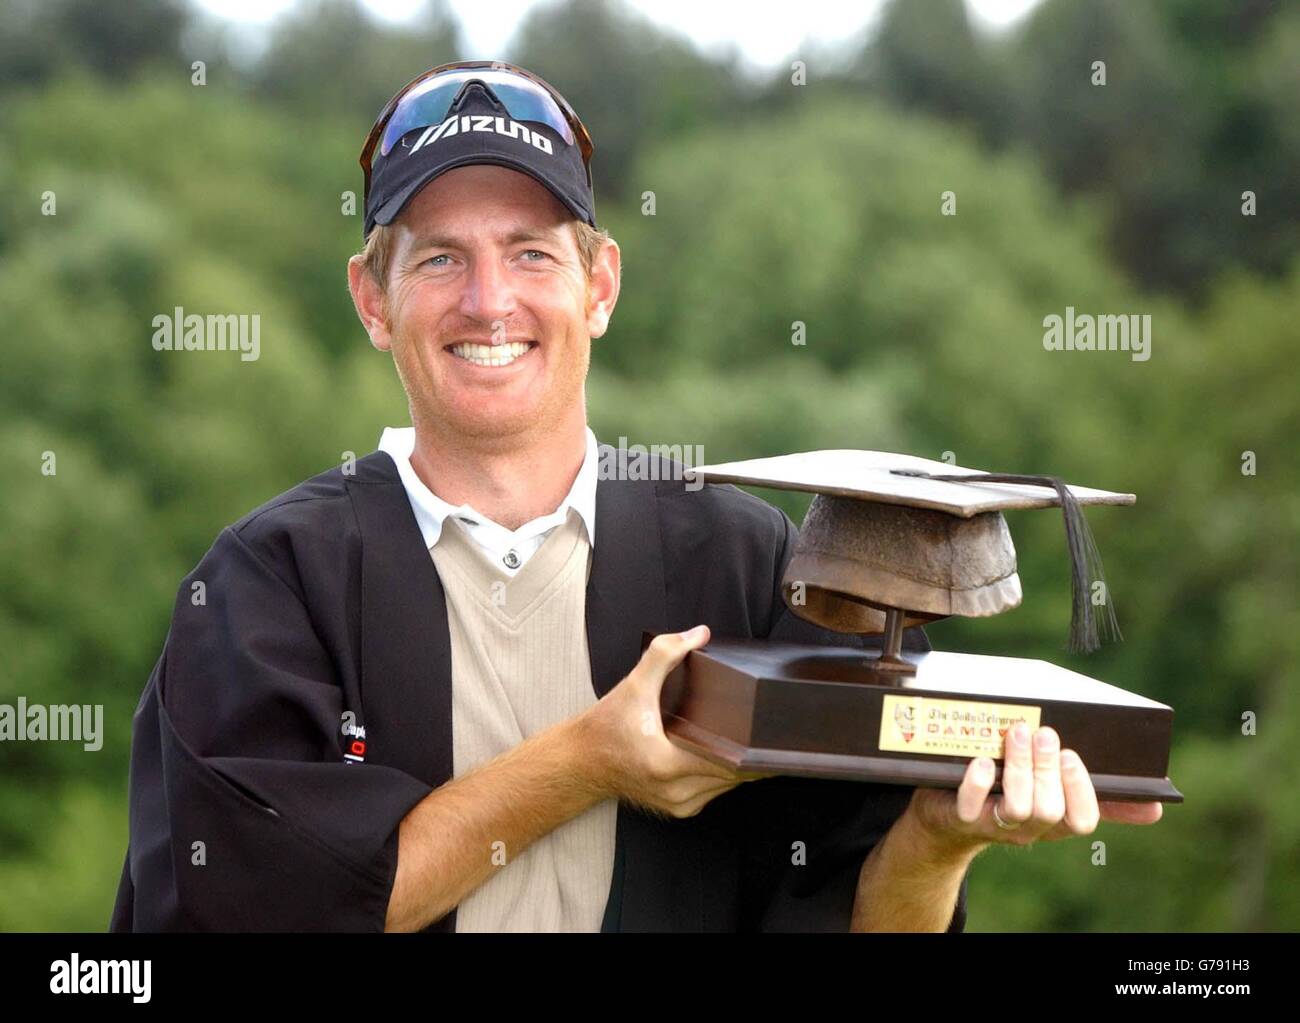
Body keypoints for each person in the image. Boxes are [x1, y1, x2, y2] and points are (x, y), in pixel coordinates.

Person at [109, 60, 1161, 934]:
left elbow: (855, 920)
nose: (489, 301)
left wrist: (938, 841)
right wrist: (587, 761)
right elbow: (254, 913)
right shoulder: (267, 584)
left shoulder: (754, 567)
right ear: (372, 300)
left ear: (600, 286)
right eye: (439, 260)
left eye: (531, 253)